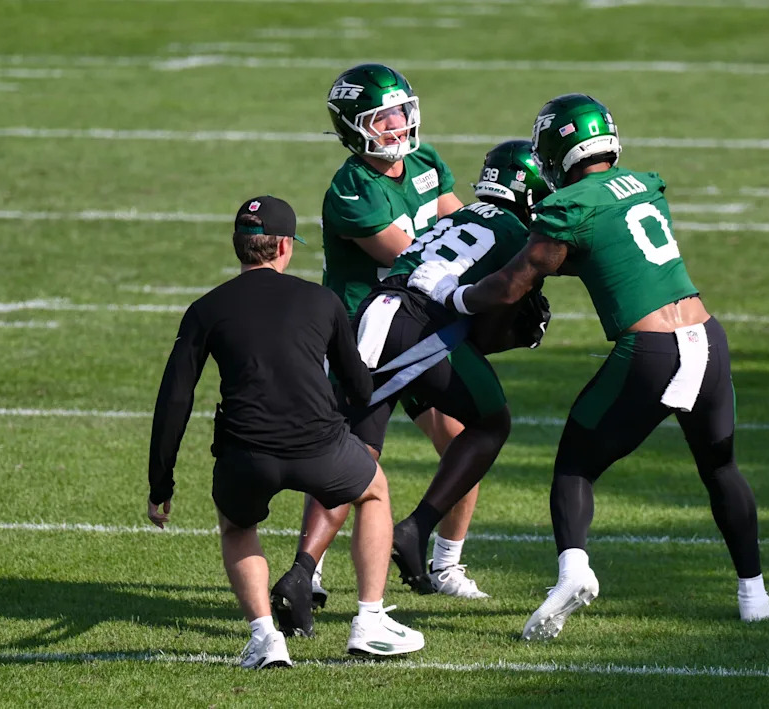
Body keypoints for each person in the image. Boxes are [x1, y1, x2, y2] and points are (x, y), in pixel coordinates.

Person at [409, 94, 769, 641]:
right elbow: (605, 252)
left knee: (574, 468)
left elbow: (516, 281)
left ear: (557, 149)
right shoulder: (645, 185)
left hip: (653, 351)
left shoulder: (570, 206)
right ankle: (756, 597)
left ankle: (573, 572)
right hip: (707, 335)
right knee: (721, 468)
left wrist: (457, 294)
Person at [269, 141, 554, 636]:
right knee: (491, 421)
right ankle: (416, 529)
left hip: (374, 315)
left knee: (356, 455)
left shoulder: (453, 220)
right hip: (418, 324)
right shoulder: (513, 230)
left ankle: (299, 574)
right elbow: (491, 307)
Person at [146, 195, 424, 669]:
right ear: (281, 247)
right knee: (373, 492)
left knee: (237, 526)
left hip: (245, 453)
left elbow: (175, 399)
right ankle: (369, 622)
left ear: (240, 246)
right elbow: (358, 385)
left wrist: (160, 484)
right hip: (319, 444)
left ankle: (265, 639)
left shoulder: (205, 309)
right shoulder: (322, 300)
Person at [282, 62, 483, 614]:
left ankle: (446, 561)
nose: (397, 125)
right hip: (364, 338)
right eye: (382, 117)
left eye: (400, 112)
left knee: (464, 440)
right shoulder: (352, 188)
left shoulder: (425, 160)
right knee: (350, 458)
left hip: (417, 329)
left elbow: (465, 228)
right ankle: (311, 570)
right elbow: (414, 256)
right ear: (352, 127)